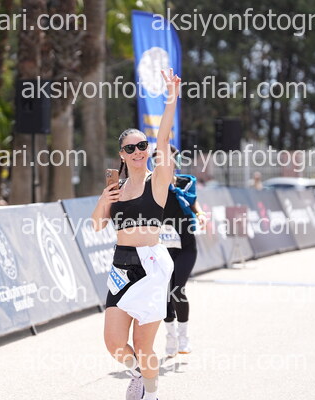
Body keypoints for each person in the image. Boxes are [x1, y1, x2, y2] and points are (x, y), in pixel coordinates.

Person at [91, 69, 180, 400]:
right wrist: (104, 200)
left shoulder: (157, 180)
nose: (139, 151)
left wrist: (171, 97)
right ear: (122, 155)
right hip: (121, 264)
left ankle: (151, 395)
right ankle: (140, 375)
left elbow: (164, 140)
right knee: (114, 343)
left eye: (142, 145)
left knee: (143, 345)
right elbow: (97, 226)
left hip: (150, 265)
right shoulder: (116, 188)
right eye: (131, 148)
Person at [153, 146, 207, 357]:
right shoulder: (152, 185)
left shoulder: (185, 183)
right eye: (159, 159)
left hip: (185, 246)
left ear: (175, 161)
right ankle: (170, 336)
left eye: (169, 159)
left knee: (177, 289)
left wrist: (200, 215)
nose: (165, 163)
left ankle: (184, 336)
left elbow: (193, 204)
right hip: (162, 248)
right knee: (164, 293)